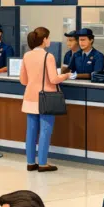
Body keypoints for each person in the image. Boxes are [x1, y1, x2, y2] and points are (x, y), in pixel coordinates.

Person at [20, 27, 71, 172]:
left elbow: (23, 80)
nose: (49, 40)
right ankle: (42, 163)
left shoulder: (27, 55)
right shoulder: (48, 56)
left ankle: (30, 162)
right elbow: (54, 79)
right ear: (44, 40)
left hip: (30, 98)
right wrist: (66, 75)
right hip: (45, 98)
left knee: (30, 131)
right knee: (45, 130)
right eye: (48, 38)